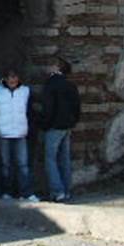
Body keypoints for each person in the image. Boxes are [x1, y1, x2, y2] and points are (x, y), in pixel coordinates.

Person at [0, 69, 39, 202]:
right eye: (10, 78)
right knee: (5, 165)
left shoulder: (26, 91)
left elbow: (31, 111)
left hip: (21, 132)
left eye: (15, 77)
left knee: (23, 164)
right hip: (3, 132)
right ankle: (7, 192)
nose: (12, 80)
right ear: (5, 79)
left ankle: (26, 192)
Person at [42, 57, 81, 202]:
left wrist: (45, 124)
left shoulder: (51, 84)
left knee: (50, 158)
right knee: (64, 158)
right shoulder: (70, 84)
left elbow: (48, 108)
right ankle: (66, 189)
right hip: (67, 125)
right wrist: (73, 121)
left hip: (54, 126)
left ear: (56, 68)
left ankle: (57, 191)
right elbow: (77, 106)